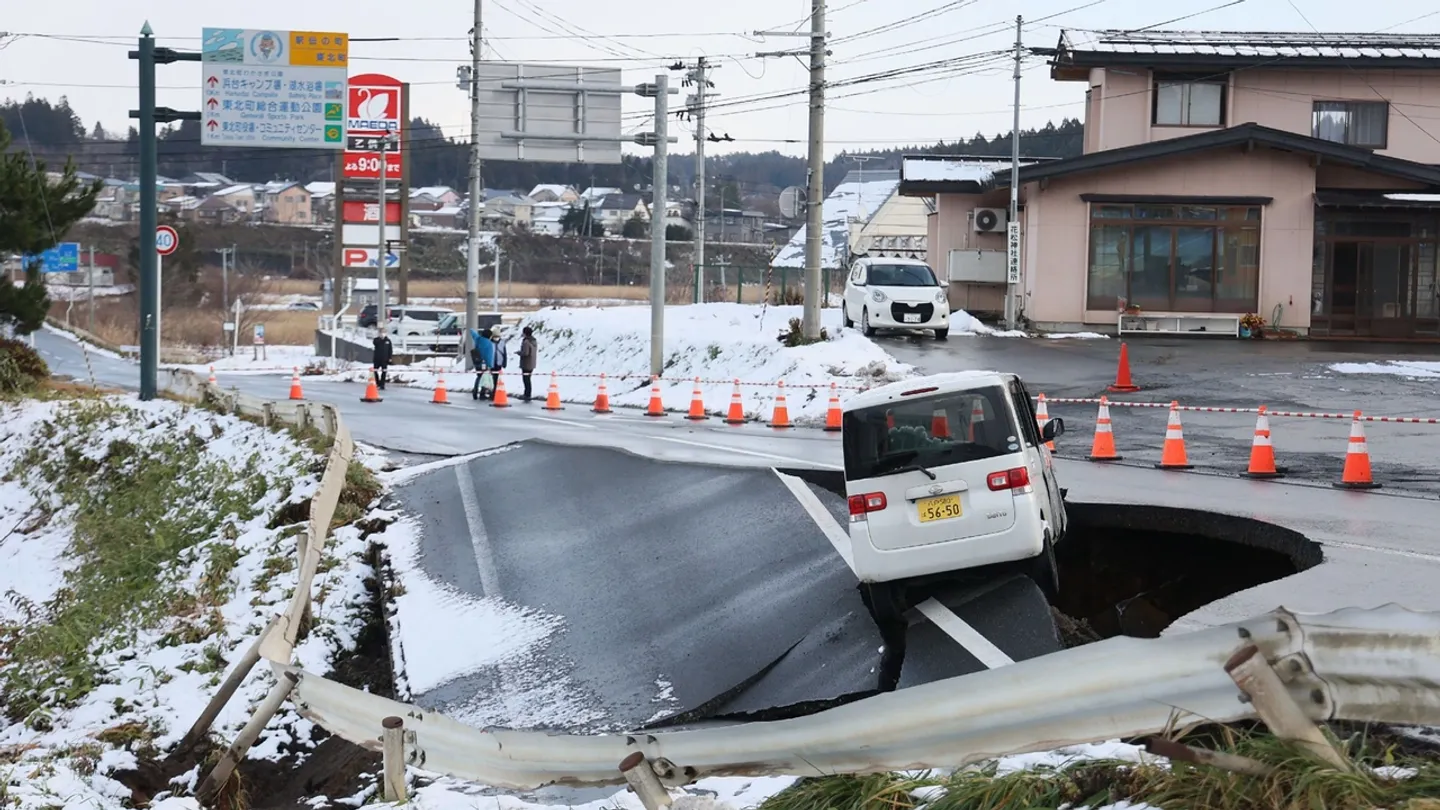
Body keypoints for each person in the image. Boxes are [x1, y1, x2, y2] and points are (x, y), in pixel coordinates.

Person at [470, 327, 496, 400]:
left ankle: (475, 390)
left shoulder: (478, 339)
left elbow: (473, 334)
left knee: (479, 376)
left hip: (477, 361)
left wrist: (471, 329)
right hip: (484, 363)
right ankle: (482, 392)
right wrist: (490, 365)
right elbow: (489, 356)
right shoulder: (489, 343)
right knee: (484, 377)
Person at [519, 326, 538, 402]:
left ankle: (527, 394)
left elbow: (525, 353)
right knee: (528, 379)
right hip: (532, 363)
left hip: (526, 363)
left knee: (526, 379)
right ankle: (528, 393)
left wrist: (519, 353)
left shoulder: (526, 341)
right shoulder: (534, 341)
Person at [491, 329, 508, 396]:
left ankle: (495, 392)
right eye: (495, 336)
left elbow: (504, 354)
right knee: (492, 379)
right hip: (491, 363)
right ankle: (492, 391)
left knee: (497, 379)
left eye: (497, 336)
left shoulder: (502, 343)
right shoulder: (490, 343)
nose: (496, 338)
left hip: (499, 363)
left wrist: (504, 363)